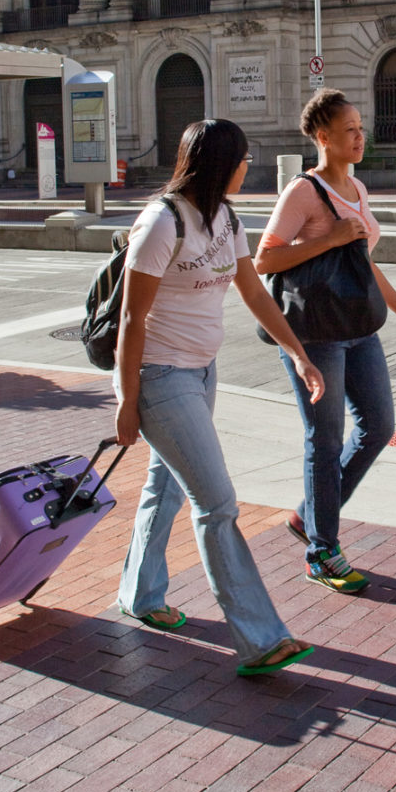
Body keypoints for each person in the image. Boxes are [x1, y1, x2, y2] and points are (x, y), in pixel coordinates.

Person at [114, 118, 324, 677]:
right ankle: (260, 639)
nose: (247, 167)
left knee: (166, 486)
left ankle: (140, 594)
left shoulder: (226, 219)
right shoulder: (162, 222)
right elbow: (132, 319)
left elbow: (252, 288)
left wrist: (299, 352)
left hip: (202, 373)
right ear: (221, 165)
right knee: (218, 503)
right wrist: (127, 398)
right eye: (242, 159)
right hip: (160, 378)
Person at [254, 90, 396, 595]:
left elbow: (362, 262)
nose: (361, 137)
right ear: (323, 137)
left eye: (361, 127)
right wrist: (328, 239)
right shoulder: (303, 192)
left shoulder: (357, 187)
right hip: (315, 335)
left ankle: (308, 515)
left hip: (359, 329)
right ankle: (322, 552)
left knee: (379, 427)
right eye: (350, 130)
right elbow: (263, 261)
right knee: (325, 439)